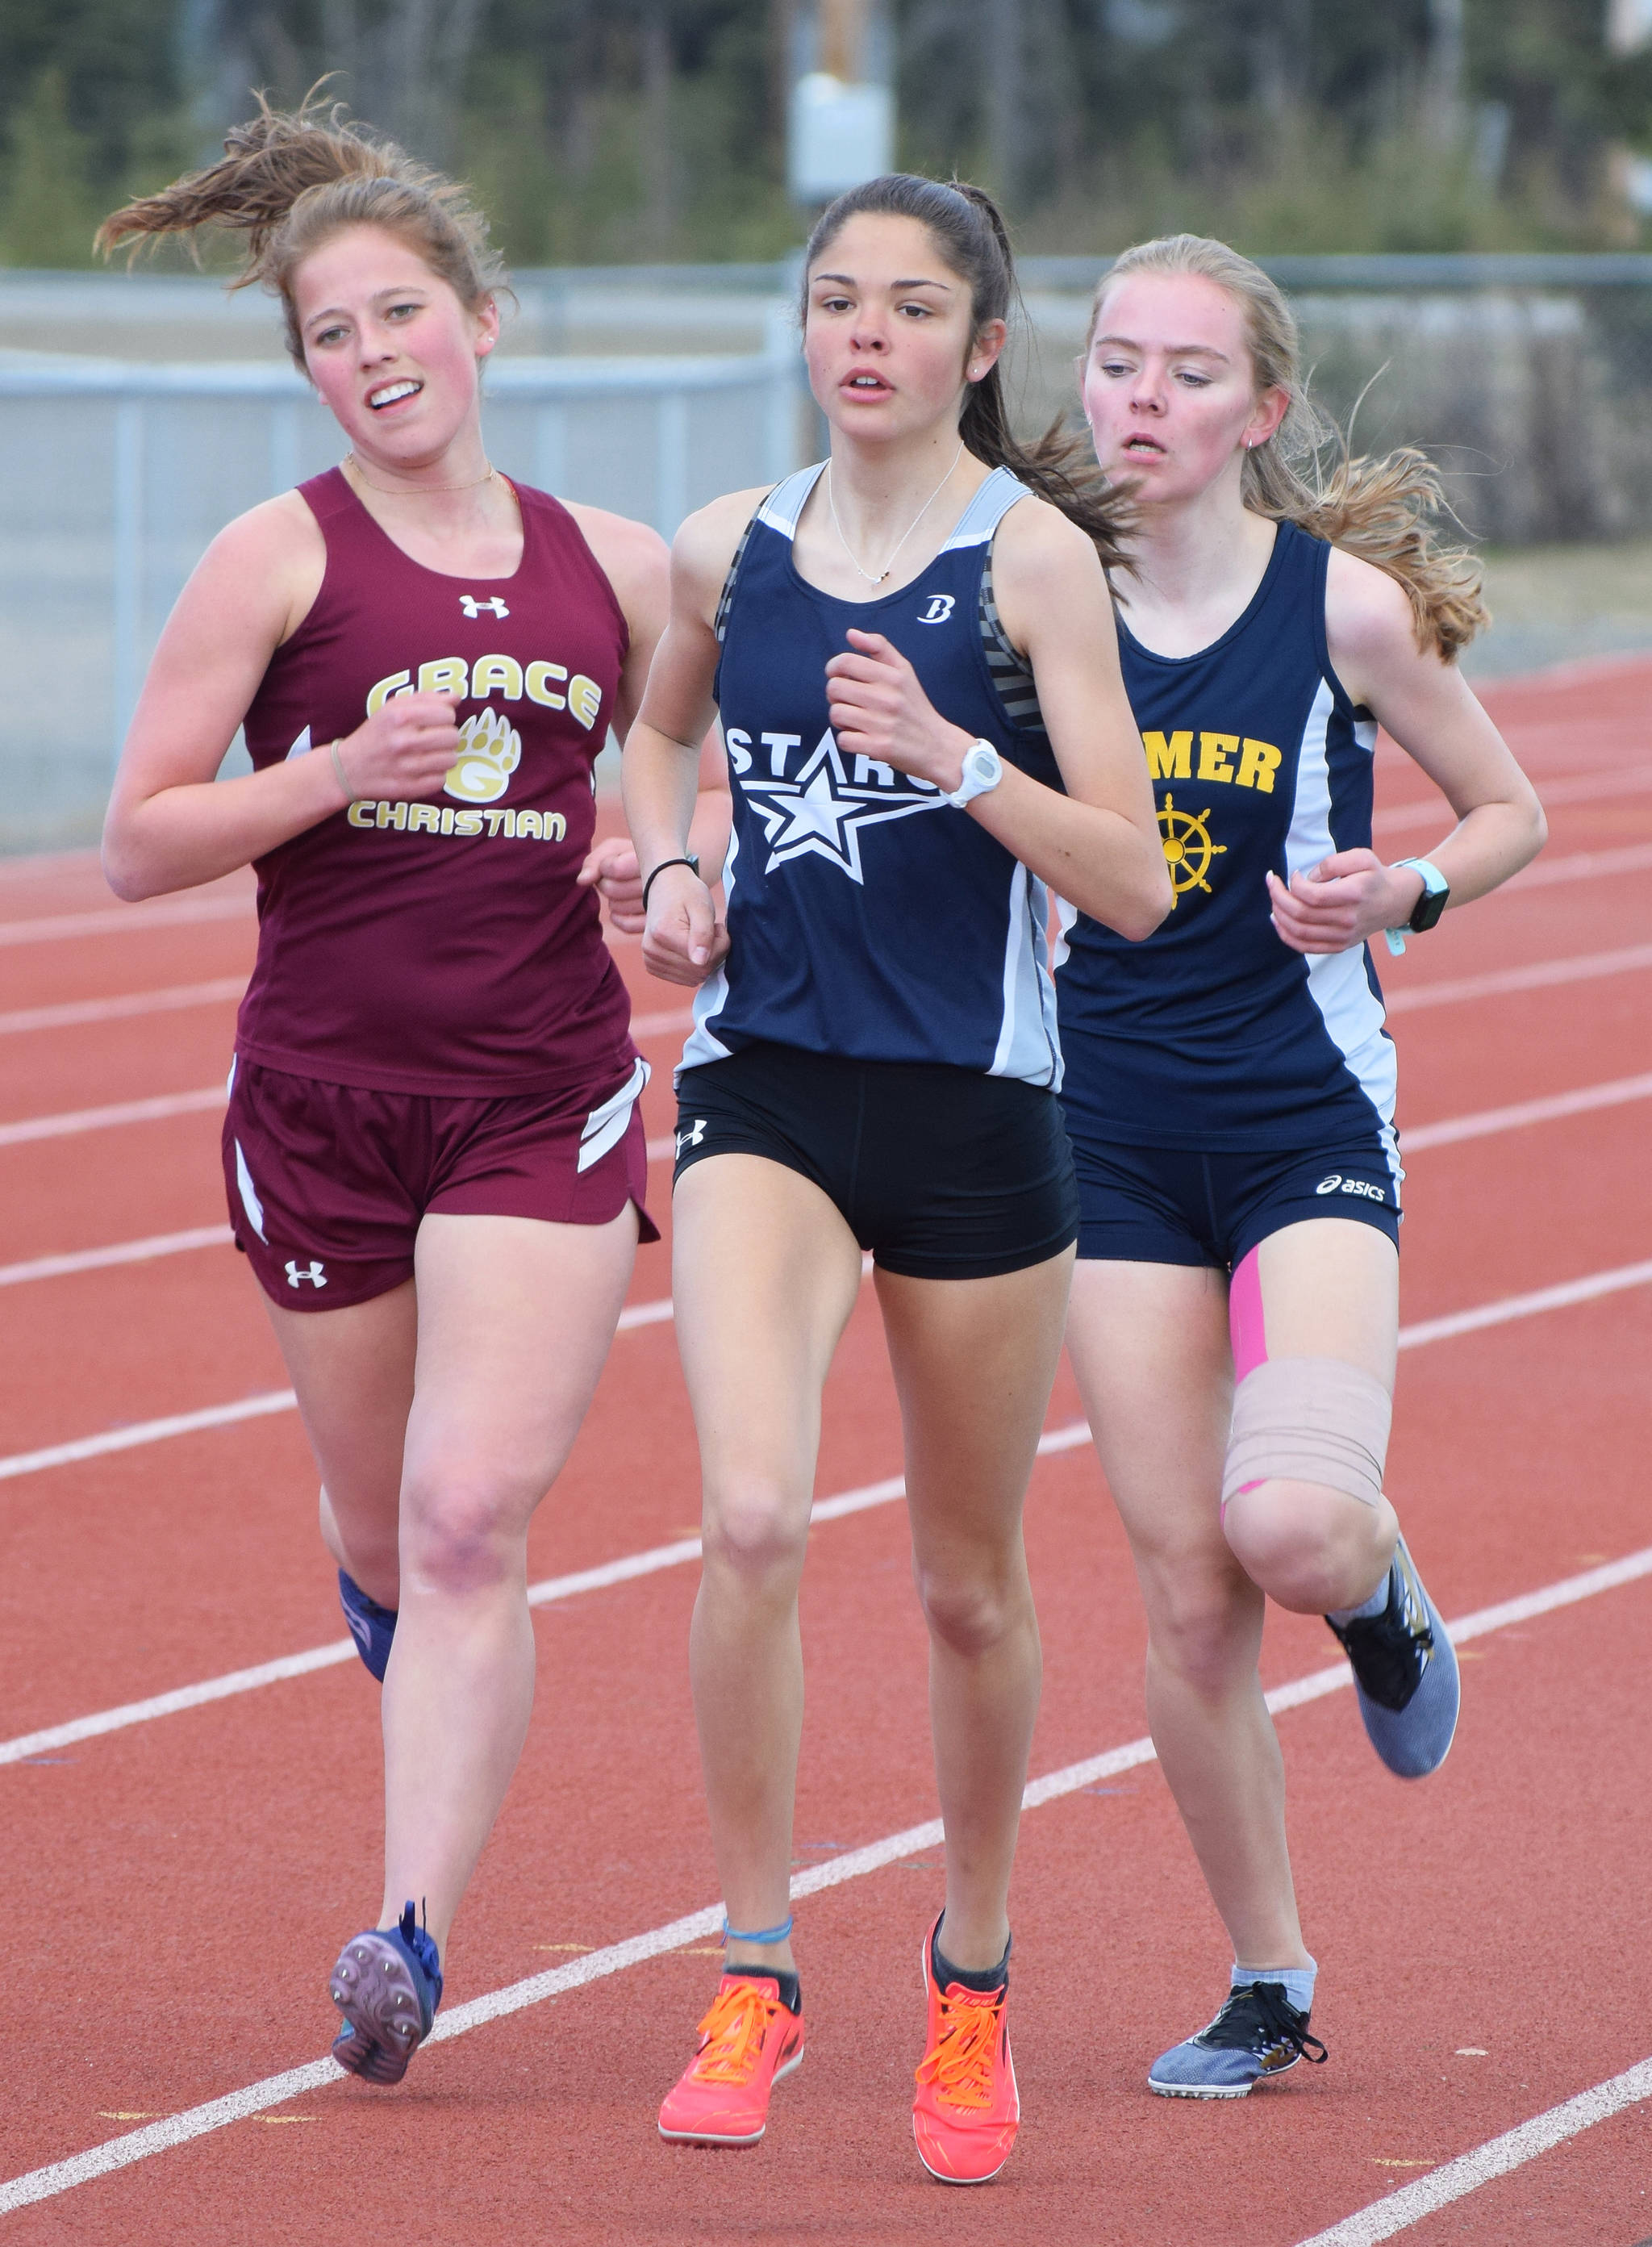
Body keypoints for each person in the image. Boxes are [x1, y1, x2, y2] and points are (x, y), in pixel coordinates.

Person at [95, 97, 710, 2086]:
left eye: (399, 314)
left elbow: (677, 807)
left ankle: (409, 1931)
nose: (372, 356)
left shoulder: (616, 573)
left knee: (465, 1518)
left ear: (484, 319)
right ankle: (409, 1653)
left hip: (539, 1094)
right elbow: (138, 840)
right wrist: (325, 779)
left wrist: (669, 880)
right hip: (324, 1106)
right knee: (380, 1534)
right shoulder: (273, 558)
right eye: (329, 335)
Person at [621, 173, 1170, 2182]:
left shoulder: (1029, 565)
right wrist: (673, 865)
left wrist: (951, 755)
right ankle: (756, 1964)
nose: (867, 333)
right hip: (764, 1084)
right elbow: (651, 736)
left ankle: (974, 1967)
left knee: (963, 1585)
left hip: (972, 1111)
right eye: (838, 299)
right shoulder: (723, 549)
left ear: (982, 343)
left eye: (912, 305)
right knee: (752, 1514)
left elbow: (1134, 878)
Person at [1056, 234, 1546, 2099]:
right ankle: (1267, 1978)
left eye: (1186, 373)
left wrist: (1397, 890)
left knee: (1289, 1530)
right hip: (1098, 1137)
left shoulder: (1336, 612)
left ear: (1259, 412)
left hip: (1295, 1126)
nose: (1141, 402)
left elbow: (1506, 810)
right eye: (1115, 364)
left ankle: (1382, 1589)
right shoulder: (1037, 597)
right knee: (1185, 1592)